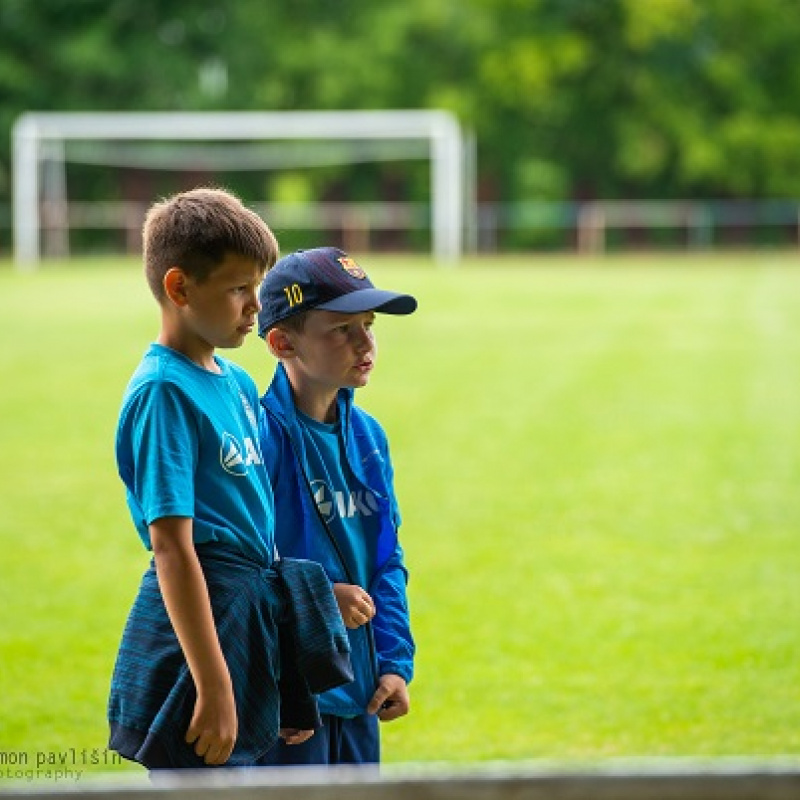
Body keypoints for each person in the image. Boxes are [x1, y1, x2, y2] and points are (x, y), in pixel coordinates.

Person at [107, 189, 346, 770]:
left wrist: (280, 661)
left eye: (257, 287)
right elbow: (172, 548)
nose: (255, 305)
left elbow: (255, 540)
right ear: (179, 288)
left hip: (246, 619)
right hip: (199, 634)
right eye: (238, 288)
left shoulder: (237, 382)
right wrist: (214, 685)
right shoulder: (164, 392)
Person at [255, 246, 416, 766]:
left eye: (368, 324)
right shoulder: (258, 439)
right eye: (341, 329)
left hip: (364, 694)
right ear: (282, 342)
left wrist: (394, 660)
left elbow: (386, 559)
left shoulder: (370, 436)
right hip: (292, 703)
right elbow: (238, 573)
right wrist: (322, 598)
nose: (366, 342)